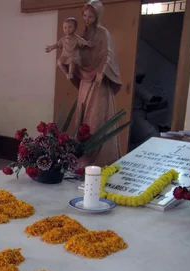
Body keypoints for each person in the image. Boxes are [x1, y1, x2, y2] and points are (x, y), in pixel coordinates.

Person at [71, 0, 122, 167]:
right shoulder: (83, 34)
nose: (87, 19)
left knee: (96, 117)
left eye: (90, 16)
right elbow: (76, 52)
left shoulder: (103, 33)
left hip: (99, 81)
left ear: (97, 16)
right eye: (84, 15)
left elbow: (108, 54)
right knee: (82, 114)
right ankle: (82, 153)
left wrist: (103, 70)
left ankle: (98, 157)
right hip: (86, 79)